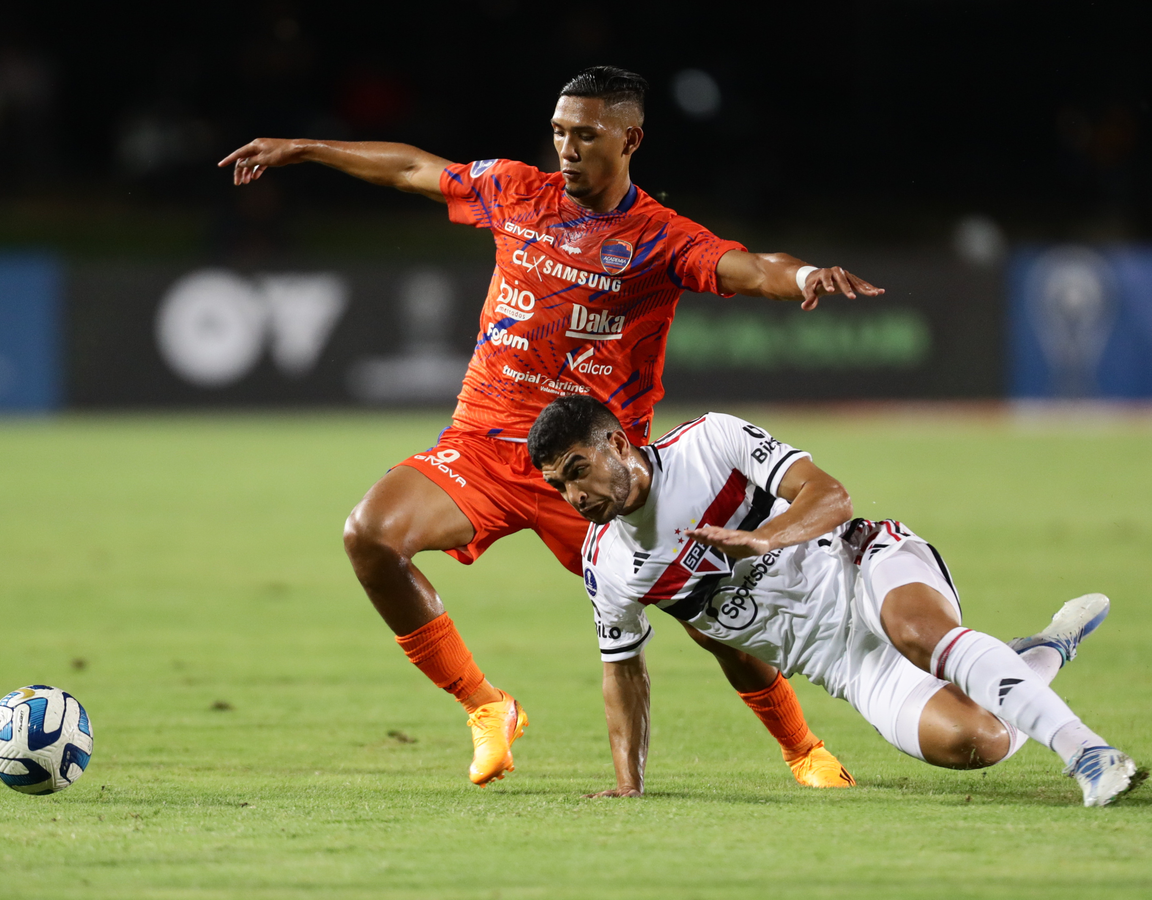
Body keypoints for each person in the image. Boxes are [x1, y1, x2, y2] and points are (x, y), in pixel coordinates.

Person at [218, 66, 880, 788]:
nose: (566, 147)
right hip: (484, 447)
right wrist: (307, 148)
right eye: (561, 131)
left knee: (713, 620)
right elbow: (414, 166)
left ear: (631, 139)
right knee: (369, 535)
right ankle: (486, 706)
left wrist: (806, 274)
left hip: (598, 470)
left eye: (586, 134)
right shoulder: (515, 191)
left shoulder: (657, 237)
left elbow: (750, 268)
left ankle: (801, 749)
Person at [527, 395, 1146, 806]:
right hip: (842, 664)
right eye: (559, 486)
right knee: (974, 740)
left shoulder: (710, 442)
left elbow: (830, 496)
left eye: (578, 470)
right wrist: (627, 787)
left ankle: (1087, 753)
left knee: (913, 629)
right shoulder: (608, 564)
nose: (574, 496)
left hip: (862, 564)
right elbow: (623, 670)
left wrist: (763, 537)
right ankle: (1036, 657)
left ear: (616, 442)